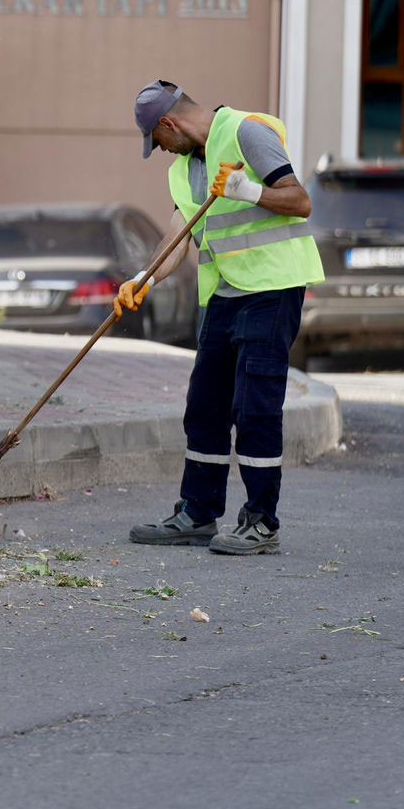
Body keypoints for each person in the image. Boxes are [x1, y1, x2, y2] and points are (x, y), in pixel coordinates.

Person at [120, 80, 324, 555]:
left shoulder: (247, 133)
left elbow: (300, 202)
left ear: (169, 124)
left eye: (159, 140)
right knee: (206, 405)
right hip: (225, 296)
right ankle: (198, 512)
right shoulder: (185, 170)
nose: (162, 150)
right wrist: (144, 279)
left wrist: (247, 189)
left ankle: (261, 521)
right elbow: (180, 233)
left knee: (254, 405)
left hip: (272, 289)